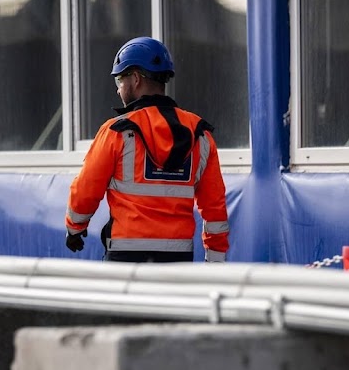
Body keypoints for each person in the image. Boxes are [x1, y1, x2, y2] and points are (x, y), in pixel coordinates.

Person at [64, 36, 230, 262]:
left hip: (126, 259)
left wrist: (75, 227)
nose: (118, 90)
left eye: (119, 80)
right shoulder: (200, 135)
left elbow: (86, 188)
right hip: (178, 262)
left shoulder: (117, 132)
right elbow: (215, 207)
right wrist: (216, 258)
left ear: (135, 79)